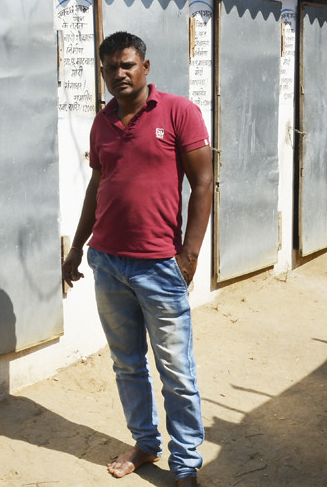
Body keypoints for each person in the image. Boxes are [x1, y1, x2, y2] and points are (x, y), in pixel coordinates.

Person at [62, 31, 213, 487]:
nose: (118, 74)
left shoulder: (179, 112)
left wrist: (189, 255)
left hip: (158, 265)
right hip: (107, 262)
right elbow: (97, 186)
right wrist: (76, 248)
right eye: (109, 68)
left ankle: (185, 463)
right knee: (127, 364)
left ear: (145, 67)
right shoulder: (102, 122)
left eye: (126, 65)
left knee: (176, 372)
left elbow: (203, 183)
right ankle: (146, 444)